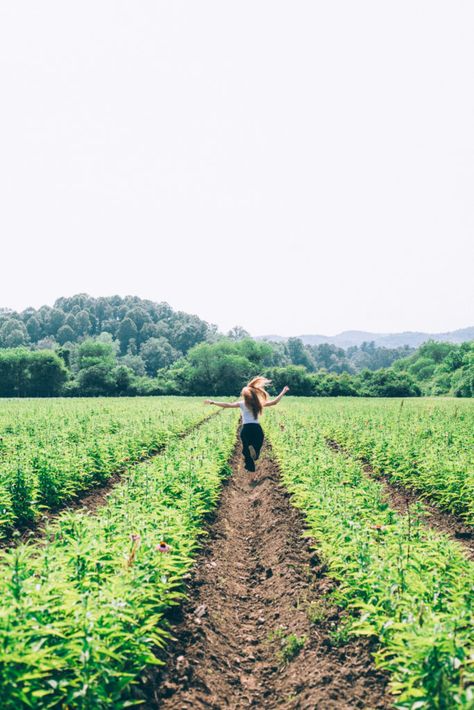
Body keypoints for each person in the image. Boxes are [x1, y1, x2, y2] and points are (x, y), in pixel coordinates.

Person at [204, 377, 289, 471]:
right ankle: (255, 453)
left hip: (246, 429)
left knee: (245, 450)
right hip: (256, 428)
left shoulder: (242, 404)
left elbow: (227, 405)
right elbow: (274, 402)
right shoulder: (258, 403)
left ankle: (250, 467)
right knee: (258, 443)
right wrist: (283, 392)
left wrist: (213, 402)